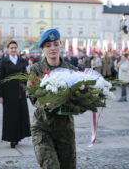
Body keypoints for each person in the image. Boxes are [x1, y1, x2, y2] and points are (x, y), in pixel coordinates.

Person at [30, 29, 77, 169]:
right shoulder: (36, 69)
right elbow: (33, 97)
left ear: (60, 45)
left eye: (55, 44)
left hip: (65, 129)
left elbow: (79, 96)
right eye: (48, 45)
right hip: (43, 127)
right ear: (43, 49)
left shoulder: (72, 70)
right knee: (51, 166)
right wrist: (49, 102)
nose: (52, 48)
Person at [0, 40, 31, 148]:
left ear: (17, 49)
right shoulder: (4, 61)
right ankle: (12, 138)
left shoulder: (22, 60)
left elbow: (25, 75)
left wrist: (27, 88)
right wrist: (0, 95)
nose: (13, 49)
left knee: (20, 115)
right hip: (8, 94)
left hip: (20, 93)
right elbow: (0, 79)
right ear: (8, 49)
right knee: (11, 117)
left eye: (15, 48)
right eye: (11, 48)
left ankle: (18, 136)